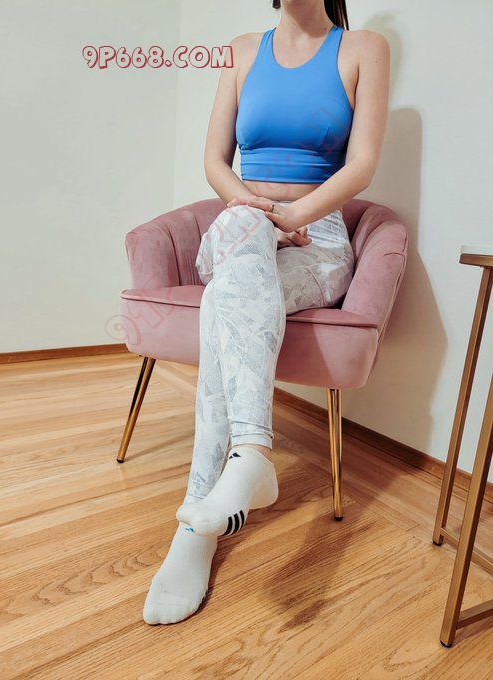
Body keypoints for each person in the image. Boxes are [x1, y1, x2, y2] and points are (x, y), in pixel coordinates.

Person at [144, 0, 390, 625]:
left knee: (223, 302)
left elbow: (362, 164)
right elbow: (215, 162)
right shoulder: (241, 49)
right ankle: (251, 454)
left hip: (319, 238)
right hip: (242, 226)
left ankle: (196, 525)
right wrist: (259, 216)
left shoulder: (363, 49)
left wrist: (293, 218)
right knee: (240, 235)